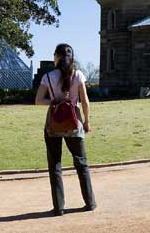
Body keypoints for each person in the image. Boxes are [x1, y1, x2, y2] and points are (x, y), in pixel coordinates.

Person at [35, 43, 96, 216]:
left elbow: (38, 100)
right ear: (72, 57)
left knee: (55, 165)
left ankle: (59, 207)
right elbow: (85, 101)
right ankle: (90, 202)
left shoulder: (48, 77)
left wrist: (54, 102)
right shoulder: (78, 75)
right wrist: (87, 122)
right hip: (74, 122)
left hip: (53, 123)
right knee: (81, 163)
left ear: (57, 57)